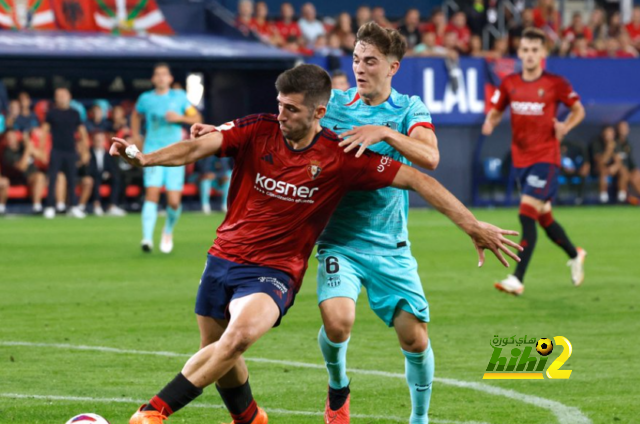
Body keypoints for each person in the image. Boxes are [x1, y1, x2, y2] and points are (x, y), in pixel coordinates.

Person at [112, 64, 521, 424]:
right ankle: (250, 419)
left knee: (235, 339)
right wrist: (146, 159)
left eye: (291, 109)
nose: (281, 114)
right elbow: (199, 145)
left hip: (275, 271)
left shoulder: (340, 157)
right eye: (280, 104)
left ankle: (153, 412)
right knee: (218, 353)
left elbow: (419, 178)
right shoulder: (258, 129)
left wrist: (472, 226)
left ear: (318, 113)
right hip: (222, 258)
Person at [313, 21, 439, 423]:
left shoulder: (409, 109)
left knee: (415, 338)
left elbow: (430, 157)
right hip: (339, 240)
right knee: (338, 323)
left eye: (370, 61)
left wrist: (384, 130)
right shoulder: (332, 104)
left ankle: (418, 419)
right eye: (355, 59)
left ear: (392, 67)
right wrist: (225, 132)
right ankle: (338, 387)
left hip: (390, 245)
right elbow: (283, 120)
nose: (360, 68)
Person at [483, 28, 587, 295]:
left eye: (534, 50)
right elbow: (496, 110)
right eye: (525, 50)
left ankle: (517, 279)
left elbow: (579, 110)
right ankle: (575, 254)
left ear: (543, 54)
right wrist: (490, 122)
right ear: (519, 53)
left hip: (546, 158)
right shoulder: (509, 83)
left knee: (526, 214)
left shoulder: (556, 83)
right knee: (545, 218)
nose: (529, 55)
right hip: (521, 160)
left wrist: (565, 126)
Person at [131, 63, 201, 253]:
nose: (161, 77)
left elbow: (197, 119)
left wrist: (180, 118)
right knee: (152, 194)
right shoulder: (146, 98)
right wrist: (136, 135)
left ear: (170, 79)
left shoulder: (179, 98)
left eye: (164, 74)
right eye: (157, 74)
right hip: (153, 152)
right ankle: (146, 239)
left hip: (175, 153)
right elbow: (136, 115)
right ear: (153, 79)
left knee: (174, 202)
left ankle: (168, 230)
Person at [41, 87, 89, 219]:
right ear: (55, 98)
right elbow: (44, 131)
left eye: (64, 95)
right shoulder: (51, 113)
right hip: (56, 150)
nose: (61, 97)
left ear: (69, 96)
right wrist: (42, 150)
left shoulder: (75, 113)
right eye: (59, 95)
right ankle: (50, 206)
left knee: (72, 180)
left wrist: (85, 150)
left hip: (70, 150)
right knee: (53, 179)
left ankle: (73, 206)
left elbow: (82, 133)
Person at [0, 129, 47, 214]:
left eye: (12, 137)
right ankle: (1, 209)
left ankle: (37, 207)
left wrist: (29, 145)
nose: (10, 139)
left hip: (31, 177)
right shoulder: (7, 152)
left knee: (40, 177)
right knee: (4, 182)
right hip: (17, 179)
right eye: (8, 138)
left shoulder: (23, 146)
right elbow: (22, 167)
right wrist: (28, 150)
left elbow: (44, 159)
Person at [89, 131, 126, 216]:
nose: (99, 142)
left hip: (106, 177)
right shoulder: (89, 153)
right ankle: (96, 205)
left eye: (101, 140)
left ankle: (112, 206)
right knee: (96, 178)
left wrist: (108, 173)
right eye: (97, 140)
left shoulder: (108, 153)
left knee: (116, 178)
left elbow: (113, 168)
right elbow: (89, 169)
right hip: (94, 176)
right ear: (93, 141)